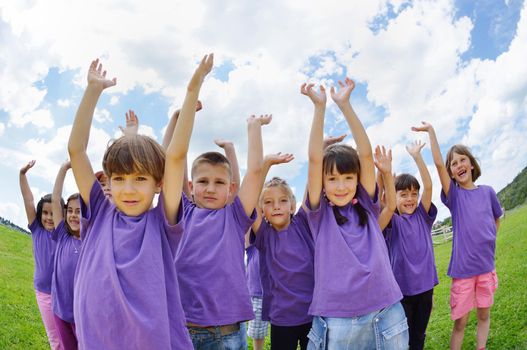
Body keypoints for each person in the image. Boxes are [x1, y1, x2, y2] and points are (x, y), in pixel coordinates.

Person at [68, 58, 193, 349]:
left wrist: (191, 92)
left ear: (158, 184)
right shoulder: (99, 212)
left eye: (140, 179)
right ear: (108, 182)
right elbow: (76, 150)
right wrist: (93, 91)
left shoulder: (162, 223)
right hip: (97, 338)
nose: (128, 189)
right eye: (120, 178)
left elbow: (175, 157)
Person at [302, 78, 408, 349]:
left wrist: (346, 105)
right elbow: (315, 159)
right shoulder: (319, 215)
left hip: (386, 311)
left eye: (348, 178)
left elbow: (364, 153)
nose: (341, 186)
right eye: (332, 179)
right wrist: (319, 108)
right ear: (322, 185)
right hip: (338, 320)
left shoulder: (367, 206)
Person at [173, 53, 268, 349]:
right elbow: (175, 156)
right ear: (191, 185)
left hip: (227, 334)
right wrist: (193, 90)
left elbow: (255, 171)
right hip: (183, 329)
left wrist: (253, 128)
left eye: (219, 183)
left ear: (230, 189)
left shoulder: (235, 216)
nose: (210, 188)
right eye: (203, 182)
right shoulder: (181, 212)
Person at [412, 122, 502, 350]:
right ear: (451, 172)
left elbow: (496, 219)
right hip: (463, 272)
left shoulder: (488, 192)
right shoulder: (455, 196)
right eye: (454, 163)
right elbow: (438, 165)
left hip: (486, 268)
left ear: (471, 164)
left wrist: (488, 239)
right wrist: (432, 131)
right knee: (460, 322)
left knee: (484, 315)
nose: (458, 165)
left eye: (463, 160)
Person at [252, 152, 315, 350]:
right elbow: (252, 199)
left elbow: (312, 185)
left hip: (312, 314)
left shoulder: (303, 223)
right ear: (262, 210)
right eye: (269, 202)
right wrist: (266, 166)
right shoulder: (264, 235)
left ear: (293, 206)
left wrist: (320, 150)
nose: (276, 206)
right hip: (282, 318)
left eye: (283, 201)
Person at [381, 140, 439, 350]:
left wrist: (417, 156)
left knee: (418, 335)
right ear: (394, 197)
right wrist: (387, 177)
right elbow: (384, 202)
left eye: (413, 194)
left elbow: (429, 185)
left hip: (425, 288)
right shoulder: (392, 221)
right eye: (403, 194)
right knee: (401, 338)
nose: (410, 198)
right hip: (401, 291)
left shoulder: (422, 216)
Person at [19, 159, 62, 350]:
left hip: (65, 294)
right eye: (45, 213)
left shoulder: (64, 234)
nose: (49, 218)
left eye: (54, 213)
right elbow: (28, 199)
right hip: (44, 294)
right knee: (55, 339)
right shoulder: (37, 229)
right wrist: (22, 175)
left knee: (72, 336)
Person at [50, 161, 81, 350]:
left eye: (79, 211)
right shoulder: (62, 235)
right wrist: (63, 169)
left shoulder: (92, 239)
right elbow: (55, 199)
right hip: (60, 312)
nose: (73, 215)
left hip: (82, 317)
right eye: (70, 210)